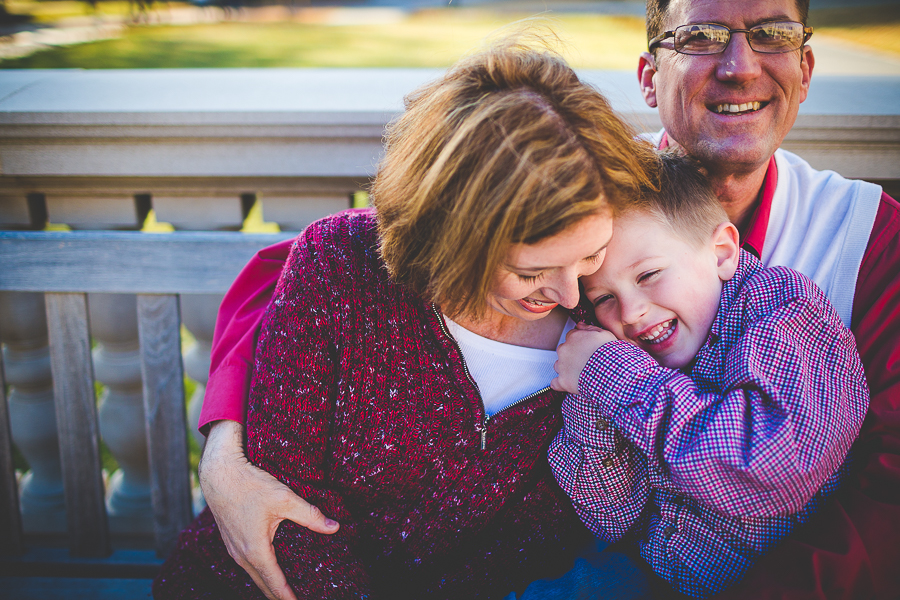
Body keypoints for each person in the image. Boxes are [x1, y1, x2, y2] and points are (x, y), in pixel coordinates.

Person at [198, 0, 900, 597]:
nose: (739, 65)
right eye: (701, 36)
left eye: (771, 33)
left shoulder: (866, 237)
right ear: (650, 78)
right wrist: (227, 446)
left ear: (806, 69)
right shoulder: (585, 186)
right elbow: (312, 269)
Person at [153, 38, 659, 599]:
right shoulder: (340, 266)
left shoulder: (613, 320)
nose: (570, 292)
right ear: (455, 235)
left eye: (589, 255)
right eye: (531, 270)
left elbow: (539, 535)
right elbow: (286, 497)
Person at [547, 153, 869, 598]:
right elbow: (611, 515)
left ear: (721, 253)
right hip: (644, 570)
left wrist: (611, 374)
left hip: (764, 582)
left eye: (649, 274)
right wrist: (591, 395)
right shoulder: (626, 355)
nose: (630, 312)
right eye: (603, 298)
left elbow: (768, 467)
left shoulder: (780, 310)